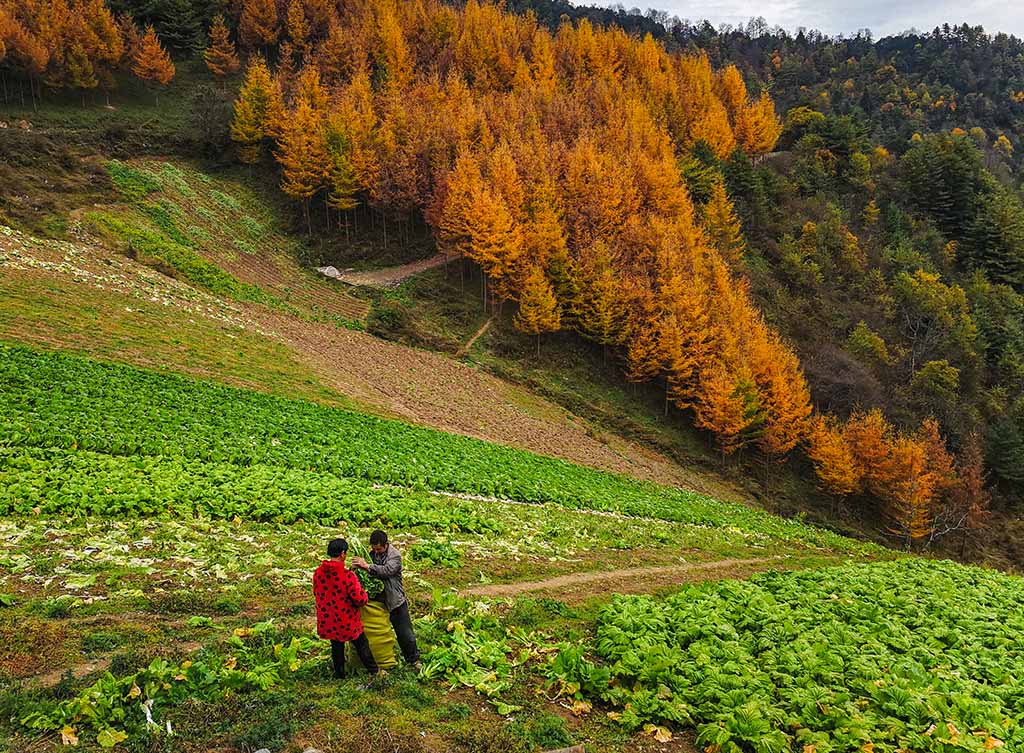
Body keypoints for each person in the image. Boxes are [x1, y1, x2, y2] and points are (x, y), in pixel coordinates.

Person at [351, 530, 421, 669]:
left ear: (386, 545)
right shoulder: (371, 554)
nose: (376, 552)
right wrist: (355, 568)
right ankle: (375, 661)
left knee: (405, 633)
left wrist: (367, 566)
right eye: (373, 549)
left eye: (379, 549)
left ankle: (413, 660)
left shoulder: (394, 556)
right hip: (378, 602)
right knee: (378, 632)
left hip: (395, 600)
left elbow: (387, 570)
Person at [313, 538, 379, 680]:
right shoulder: (348, 576)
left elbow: (317, 591)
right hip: (346, 619)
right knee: (361, 644)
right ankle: (374, 672)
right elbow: (359, 599)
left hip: (328, 618)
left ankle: (340, 675)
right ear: (343, 554)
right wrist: (365, 594)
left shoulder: (318, 572)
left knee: (336, 647)